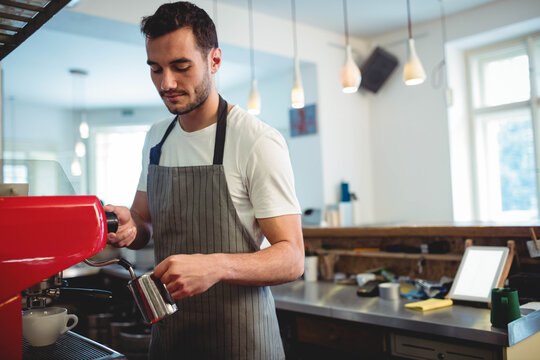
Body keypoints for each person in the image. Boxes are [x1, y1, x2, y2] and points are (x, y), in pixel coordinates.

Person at [104, 2, 304, 359]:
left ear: (214, 61)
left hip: (241, 341)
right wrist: (129, 228)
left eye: (181, 67)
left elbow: (292, 258)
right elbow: (144, 222)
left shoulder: (256, 142)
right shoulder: (156, 138)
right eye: (155, 69)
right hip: (171, 338)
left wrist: (217, 265)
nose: (166, 83)